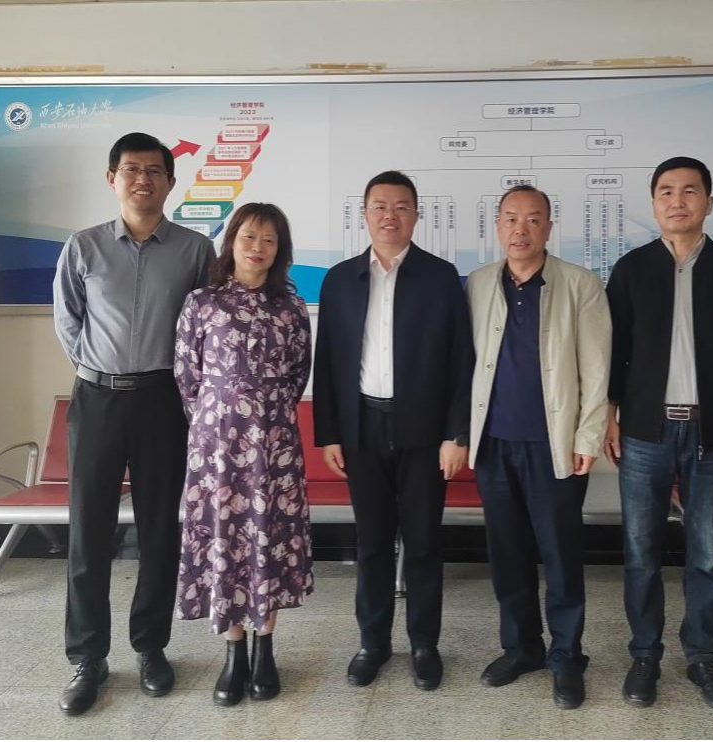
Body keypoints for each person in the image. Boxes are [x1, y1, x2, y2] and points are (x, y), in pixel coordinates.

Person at [53, 132, 215, 714]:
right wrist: (100, 370)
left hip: (162, 402)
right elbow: (68, 322)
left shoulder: (195, 250)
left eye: (153, 170)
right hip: (97, 400)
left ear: (170, 181)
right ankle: (87, 657)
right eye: (130, 169)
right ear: (112, 178)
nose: (142, 179)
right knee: (88, 532)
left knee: (159, 530)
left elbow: (204, 329)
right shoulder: (84, 246)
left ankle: (151, 647)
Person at [605, 157, 713, 712]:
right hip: (644, 431)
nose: (678, 201)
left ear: (709, 203)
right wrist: (609, 412)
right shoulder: (631, 270)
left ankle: (703, 658)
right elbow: (615, 350)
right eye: (666, 191)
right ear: (654, 203)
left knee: (707, 553)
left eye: (690, 191)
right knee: (640, 551)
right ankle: (644, 655)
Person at [312, 170, 474, 690]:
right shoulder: (340, 280)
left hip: (424, 430)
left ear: (416, 215)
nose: (390, 215)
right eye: (380, 206)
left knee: (423, 542)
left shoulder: (441, 277)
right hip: (361, 427)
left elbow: (461, 360)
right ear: (364, 214)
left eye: (402, 206)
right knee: (372, 543)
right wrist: (329, 433)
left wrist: (456, 433)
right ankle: (373, 643)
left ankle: (424, 644)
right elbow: (327, 360)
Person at [466, 185, 611, 710]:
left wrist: (587, 436)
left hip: (555, 446)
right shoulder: (477, 284)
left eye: (532, 219)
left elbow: (597, 370)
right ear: (497, 226)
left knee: (560, 555)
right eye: (510, 219)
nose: (520, 229)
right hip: (493, 444)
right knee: (508, 556)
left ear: (549, 227)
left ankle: (567, 656)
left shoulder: (580, 284)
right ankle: (522, 647)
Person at [174, 203, 313, 705]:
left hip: (273, 447)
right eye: (249, 236)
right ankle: (233, 651)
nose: (258, 248)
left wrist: (262, 415)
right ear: (231, 241)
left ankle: (265, 647)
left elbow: (298, 373)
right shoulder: (202, 303)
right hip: (216, 449)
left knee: (267, 539)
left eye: (269, 240)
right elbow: (186, 376)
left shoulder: (291, 307)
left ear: (280, 251)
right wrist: (221, 416)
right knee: (225, 540)